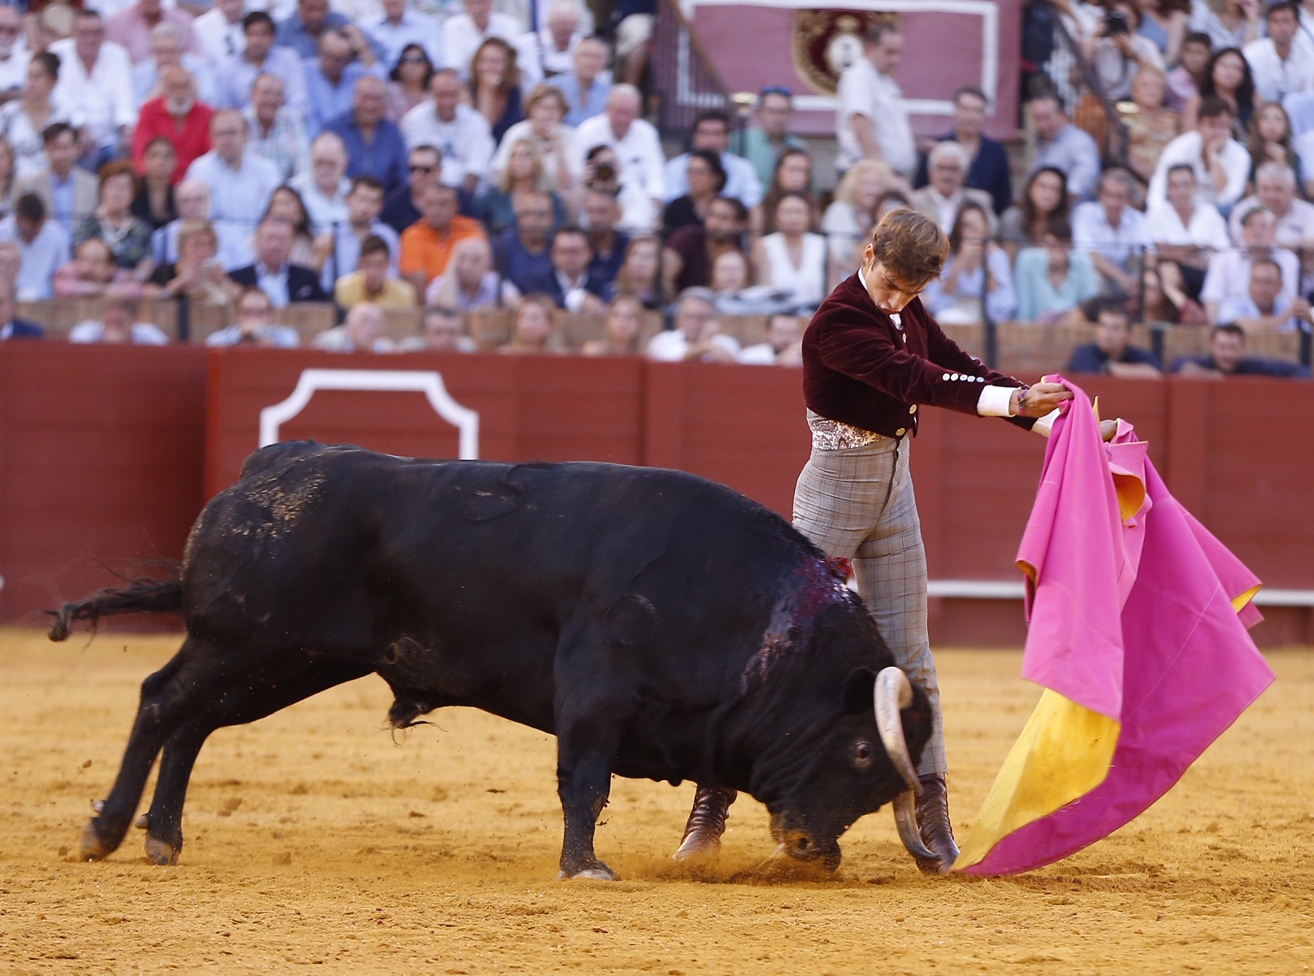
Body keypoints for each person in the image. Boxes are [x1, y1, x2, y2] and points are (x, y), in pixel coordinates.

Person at [672, 207, 1087, 875]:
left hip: (893, 498)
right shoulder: (836, 322)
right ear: (868, 254)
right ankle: (710, 806)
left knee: (915, 659)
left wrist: (1047, 420)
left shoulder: (905, 310)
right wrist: (1013, 405)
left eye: (911, 293)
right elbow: (914, 379)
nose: (898, 300)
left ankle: (929, 808)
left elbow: (948, 361)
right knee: (774, 652)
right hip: (832, 498)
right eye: (892, 285)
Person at [912, 85, 1012, 217]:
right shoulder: (937, 148)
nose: (971, 116)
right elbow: (920, 191)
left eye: (977, 110)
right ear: (956, 111)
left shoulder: (996, 152)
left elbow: (1003, 198)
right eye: (965, 109)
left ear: (985, 115)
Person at [835, 21, 916, 180]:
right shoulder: (860, 76)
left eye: (899, 53)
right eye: (889, 52)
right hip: (867, 176)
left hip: (884, 175)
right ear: (871, 48)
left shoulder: (885, 81)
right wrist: (886, 176)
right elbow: (862, 126)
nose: (895, 60)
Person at [401, 69, 496, 197]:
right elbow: (416, 167)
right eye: (441, 95)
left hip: (465, 195)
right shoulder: (414, 120)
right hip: (424, 195)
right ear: (431, 94)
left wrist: (460, 202)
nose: (447, 102)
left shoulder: (476, 122)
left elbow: (475, 170)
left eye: (452, 95)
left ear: (460, 94)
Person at [1147, 95, 1250, 211]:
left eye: (1223, 126)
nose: (1217, 133)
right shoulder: (1180, 146)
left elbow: (1228, 197)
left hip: (1217, 212)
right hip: (1181, 208)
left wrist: (1213, 156)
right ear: (1199, 125)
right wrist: (1156, 213)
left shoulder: (1240, 155)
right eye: (1212, 125)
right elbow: (1160, 184)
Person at [921, 202, 1015, 325]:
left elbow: (1005, 303)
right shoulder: (947, 255)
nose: (972, 232)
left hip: (986, 314)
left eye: (976, 226)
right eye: (966, 226)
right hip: (954, 311)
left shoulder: (997, 256)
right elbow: (935, 301)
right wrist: (961, 261)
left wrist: (985, 261)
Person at [663, 109, 763, 215]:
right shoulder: (675, 167)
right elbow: (670, 201)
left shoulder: (743, 168)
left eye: (717, 134)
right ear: (695, 136)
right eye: (704, 133)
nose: (710, 140)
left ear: (728, 137)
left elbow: (753, 204)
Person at [1071, 167, 1150, 299]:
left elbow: (1147, 252)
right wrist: (1122, 278)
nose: (1113, 203)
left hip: (1126, 281)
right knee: (1093, 277)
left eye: (1119, 197)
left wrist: (1139, 278)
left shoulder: (1137, 219)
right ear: (1100, 194)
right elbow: (1089, 253)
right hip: (1096, 278)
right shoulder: (1084, 213)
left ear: (1129, 199)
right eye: (1108, 195)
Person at [399, 180, 487, 293]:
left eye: (443, 204)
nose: (436, 210)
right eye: (430, 204)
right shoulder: (412, 235)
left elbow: (481, 274)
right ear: (423, 206)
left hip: (469, 300)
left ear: (456, 206)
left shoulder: (472, 230)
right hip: (430, 304)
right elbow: (416, 284)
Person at [132, 66, 214, 185]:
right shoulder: (149, 111)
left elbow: (211, 155)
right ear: (164, 90)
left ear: (193, 90)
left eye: (184, 87)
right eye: (173, 87)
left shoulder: (207, 114)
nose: (179, 93)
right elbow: (141, 153)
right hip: (159, 182)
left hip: (196, 184)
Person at [74, 160, 156, 278]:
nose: (116, 193)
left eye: (123, 187)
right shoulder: (88, 224)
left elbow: (147, 264)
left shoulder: (142, 229)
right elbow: (79, 259)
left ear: (133, 193)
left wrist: (126, 281)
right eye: (111, 186)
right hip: (90, 288)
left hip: (130, 291)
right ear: (102, 190)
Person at [15, 122, 98, 236]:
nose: (60, 154)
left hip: (82, 247)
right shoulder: (28, 186)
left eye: (65, 147)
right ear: (45, 150)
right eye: (54, 147)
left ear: (77, 148)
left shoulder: (94, 185)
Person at [228, 215, 330, 305]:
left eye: (282, 239)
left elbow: (324, 308)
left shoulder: (307, 278)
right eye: (270, 238)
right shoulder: (236, 279)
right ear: (258, 241)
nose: (276, 245)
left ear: (292, 243)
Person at [1013, 222, 1102, 325]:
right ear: (1044, 244)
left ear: (1070, 246)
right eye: (1052, 246)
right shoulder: (1027, 261)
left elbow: (1090, 306)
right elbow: (1023, 308)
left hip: (1073, 330)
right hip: (1034, 331)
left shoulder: (1084, 263)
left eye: (1061, 246)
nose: (1056, 251)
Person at [822, 159, 891, 290]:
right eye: (865, 184)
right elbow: (834, 256)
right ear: (853, 187)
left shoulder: (890, 214)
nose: (871, 191)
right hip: (843, 280)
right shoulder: (839, 211)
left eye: (876, 184)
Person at [0, 52, 70, 182]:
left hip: (50, 186)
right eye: (29, 76)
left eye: (37, 77)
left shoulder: (62, 117)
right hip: (12, 185)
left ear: (52, 81)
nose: (30, 83)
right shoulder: (8, 114)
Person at [751, 191, 826, 309]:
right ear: (776, 217)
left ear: (808, 217)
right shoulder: (764, 245)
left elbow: (833, 287)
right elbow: (764, 289)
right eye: (787, 212)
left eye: (798, 212)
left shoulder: (822, 244)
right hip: (778, 315)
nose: (793, 217)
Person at [662, 194, 747, 295]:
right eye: (711, 215)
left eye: (723, 218)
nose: (714, 223)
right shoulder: (686, 238)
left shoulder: (737, 250)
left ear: (739, 225)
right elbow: (665, 278)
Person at [1027, 90, 1102, 201]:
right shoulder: (1041, 143)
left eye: (1046, 117)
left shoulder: (1079, 140)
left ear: (1063, 114)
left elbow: (1087, 172)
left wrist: (1061, 199)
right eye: (1037, 119)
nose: (1042, 124)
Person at [908, 141, 995, 236]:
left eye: (954, 169)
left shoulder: (979, 200)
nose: (947, 175)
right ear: (930, 172)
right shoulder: (914, 202)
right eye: (941, 168)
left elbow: (991, 232)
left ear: (965, 174)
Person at [150, 217, 237, 306]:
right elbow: (150, 300)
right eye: (197, 244)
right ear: (182, 246)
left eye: (209, 244)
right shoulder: (163, 272)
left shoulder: (216, 273)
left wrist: (224, 282)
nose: (204, 251)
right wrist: (180, 283)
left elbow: (243, 300)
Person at [519, 223, 606, 312]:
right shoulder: (536, 280)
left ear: (590, 253)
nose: (569, 257)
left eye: (575, 251)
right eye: (563, 251)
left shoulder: (602, 280)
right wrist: (577, 299)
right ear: (553, 253)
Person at [1171, 320, 1311, 374]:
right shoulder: (1204, 363)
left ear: (1242, 349)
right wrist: (1209, 375)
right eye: (1222, 347)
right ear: (1211, 346)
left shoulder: (1251, 367)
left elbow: (1300, 372)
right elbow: (1176, 367)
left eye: (1233, 348)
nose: (1227, 354)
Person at [1065, 298, 1163, 376]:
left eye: (1115, 328)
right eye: (1103, 325)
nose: (1108, 333)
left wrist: (1110, 368)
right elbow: (1094, 375)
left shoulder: (1134, 354)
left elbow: (1155, 373)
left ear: (1129, 334)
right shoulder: (1084, 353)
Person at [1242, 0, 1314, 105]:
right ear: (1269, 27)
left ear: (1297, 26)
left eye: (1286, 21)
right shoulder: (1252, 54)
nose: (1281, 27)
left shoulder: (1309, 57)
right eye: (1275, 22)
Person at [738, 86, 810, 191]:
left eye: (782, 111)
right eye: (771, 111)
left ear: (791, 114)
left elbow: (810, 188)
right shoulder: (741, 140)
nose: (777, 117)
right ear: (760, 113)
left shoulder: (799, 147)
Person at [0, 192, 69, 300]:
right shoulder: (2, 232)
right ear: (17, 219)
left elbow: (63, 274)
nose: (31, 233)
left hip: (46, 302)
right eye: (27, 229)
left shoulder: (58, 235)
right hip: (8, 299)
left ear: (43, 220)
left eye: (36, 229)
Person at [1215, 253, 1314, 329]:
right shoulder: (1232, 305)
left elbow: (1307, 335)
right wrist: (1283, 319)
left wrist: (1309, 319)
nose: (1262, 288)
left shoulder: (1287, 307)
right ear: (1249, 284)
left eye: (1268, 282)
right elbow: (1236, 326)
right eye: (1257, 281)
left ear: (1280, 286)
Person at [243, 73, 310, 183]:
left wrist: (285, 195)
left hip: (287, 192)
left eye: (278, 94)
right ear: (253, 95)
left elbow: (304, 167)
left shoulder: (293, 121)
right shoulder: (242, 122)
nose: (271, 100)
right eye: (265, 93)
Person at [998, 166, 1071, 264]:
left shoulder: (1065, 223)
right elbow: (1008, 263)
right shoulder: (1013, 218)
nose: (1048, 193)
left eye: (1055, 189)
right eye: (1042, 186)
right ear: (1030, 188)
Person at [423, 234, 517, 309]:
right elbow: (446, 308)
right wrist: (452, 266)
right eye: (462, 258)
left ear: (488, 265)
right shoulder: (440, 284)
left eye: (476, 260)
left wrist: (493, 306)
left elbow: (516, 304)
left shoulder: (496, 282)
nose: (467, 266)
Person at [645, 286, 738, 362]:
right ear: (678, 319)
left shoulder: (726, 343)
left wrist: (707, 341)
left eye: (701, 317)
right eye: (689, 316)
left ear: (713, 319)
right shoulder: (663, 340)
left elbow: (732, 366)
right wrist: (705, 346)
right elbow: (674, 359)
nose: (695, 322)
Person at [1124, 67, 1181, 186]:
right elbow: (1118, 153)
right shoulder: (1123, 117)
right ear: (1134, 90)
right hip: (1134, 178)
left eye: (1157, 86)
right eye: (1145, 85)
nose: (1151, 90)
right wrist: (1148, 174)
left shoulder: (1174, 119)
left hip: (1171, 179)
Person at [1183, 46, 1257, 137]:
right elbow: (1188, 135)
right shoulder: (1198, 100)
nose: (1230, 72)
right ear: (1213, 69)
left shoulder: (1254, 99)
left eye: (1236, 68)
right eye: (1224, 66)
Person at [464, 37, 524, 146]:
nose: (488, 67)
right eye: (483, 61)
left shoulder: (515, 91)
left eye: (495, 62)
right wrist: (487, 91)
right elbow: (483, 134)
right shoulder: (465, 91)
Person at [335, 232, 417, 308]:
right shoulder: (344, 289)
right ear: (360, 264)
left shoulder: (404, 293)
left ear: (388, 264)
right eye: (368, 264)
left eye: (379, 265)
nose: (373, 272)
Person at [204, 285, 301, 346]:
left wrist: (261, 336)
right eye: (247, 312)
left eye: (259, 313)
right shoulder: (219, 340)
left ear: (271, 316)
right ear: (238, 315)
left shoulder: (286, 337)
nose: (253, 318)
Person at [554, 35, 610, 128]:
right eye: (585, 55)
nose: (590, 62)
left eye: (596, 57)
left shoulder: (609, 95)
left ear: (603, 65)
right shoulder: (554, 88)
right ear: (574, 58)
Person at [69, 296, 170, 344]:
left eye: (120, 322)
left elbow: (162, 346)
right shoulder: (88, 332)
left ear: (134, 321)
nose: (114, 328)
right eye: (109, 321)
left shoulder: (147, 333)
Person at [312, 299, 396, 352]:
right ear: (348, 323)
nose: (371, 328)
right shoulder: (328, 345)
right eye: (365, 321)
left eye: (377, 323)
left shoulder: (387, 349)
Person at [133, 137, 180, 230]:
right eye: (154, 156)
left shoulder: (178, 195)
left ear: (175, 162)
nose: (160, 162)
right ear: (144, 160)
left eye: (167, 156)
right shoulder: (133, 190)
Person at [601, 233, 659, 308]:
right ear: (626, 260)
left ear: (658, 264)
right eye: (635, 254)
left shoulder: (666, 297)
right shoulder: (611, 292)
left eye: (648, 256)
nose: (641, 260)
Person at [386, 43, 435, 123]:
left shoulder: (434, 93)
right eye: (405, 59)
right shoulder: (389, 92)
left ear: (427, 66)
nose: (411, 65)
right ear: (399, 66)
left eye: (418, 60)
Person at [397, 304, 478, 352]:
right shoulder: (411, 350)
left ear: (461, 334)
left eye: (452, 332)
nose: (445, 338)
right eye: (438, 332)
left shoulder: (468, 350)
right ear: (426, 334)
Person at [1168, 30, 1214, 111]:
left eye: (1199, 53)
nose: (1193, 57)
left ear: (1209, 56)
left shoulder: (1215, 79)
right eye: (1189, 52)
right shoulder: (1171, 80)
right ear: (1181, 54)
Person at [736, 311, 804, 366]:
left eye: (791, 333)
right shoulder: (750, 356)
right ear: (767, 333)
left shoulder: (806, 361)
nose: (785, 338)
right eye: (780, 333)